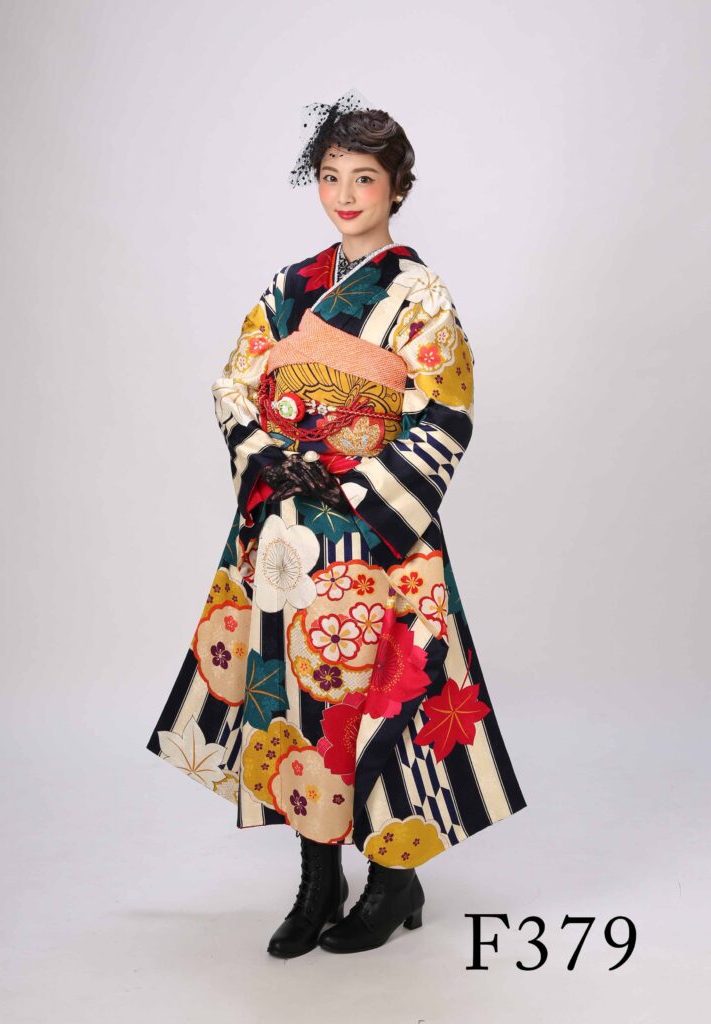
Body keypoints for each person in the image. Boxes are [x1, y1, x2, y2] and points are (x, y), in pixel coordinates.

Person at [146, 87, 527, 958]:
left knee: (384, 704)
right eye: (330, 176)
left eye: (364, 177)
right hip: (290, 530)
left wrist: (353, 484)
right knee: (300, 708)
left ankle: (393, 879)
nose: (346, 195)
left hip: (377, 533)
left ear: (397, 187)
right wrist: (273, 459)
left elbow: (444, 413)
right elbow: (237, 384)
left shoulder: (421, 295)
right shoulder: (290, 287)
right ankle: (317, 879)